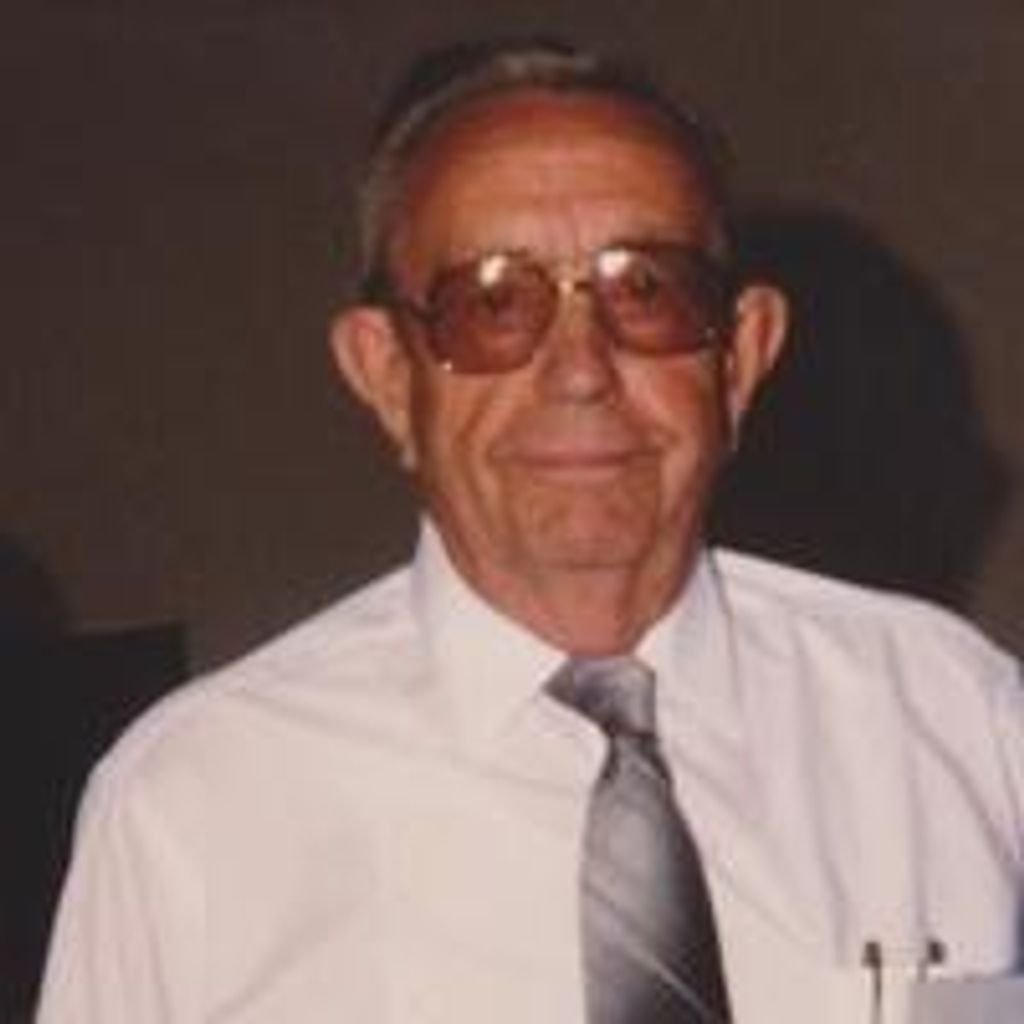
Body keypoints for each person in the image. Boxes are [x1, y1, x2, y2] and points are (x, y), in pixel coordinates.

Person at [36, 39, 1023, 1024]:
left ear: (741, 358)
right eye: (494, 304)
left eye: (646, 289)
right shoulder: (193, 804)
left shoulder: (957, 722)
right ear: (387, 375)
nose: (580, 370)